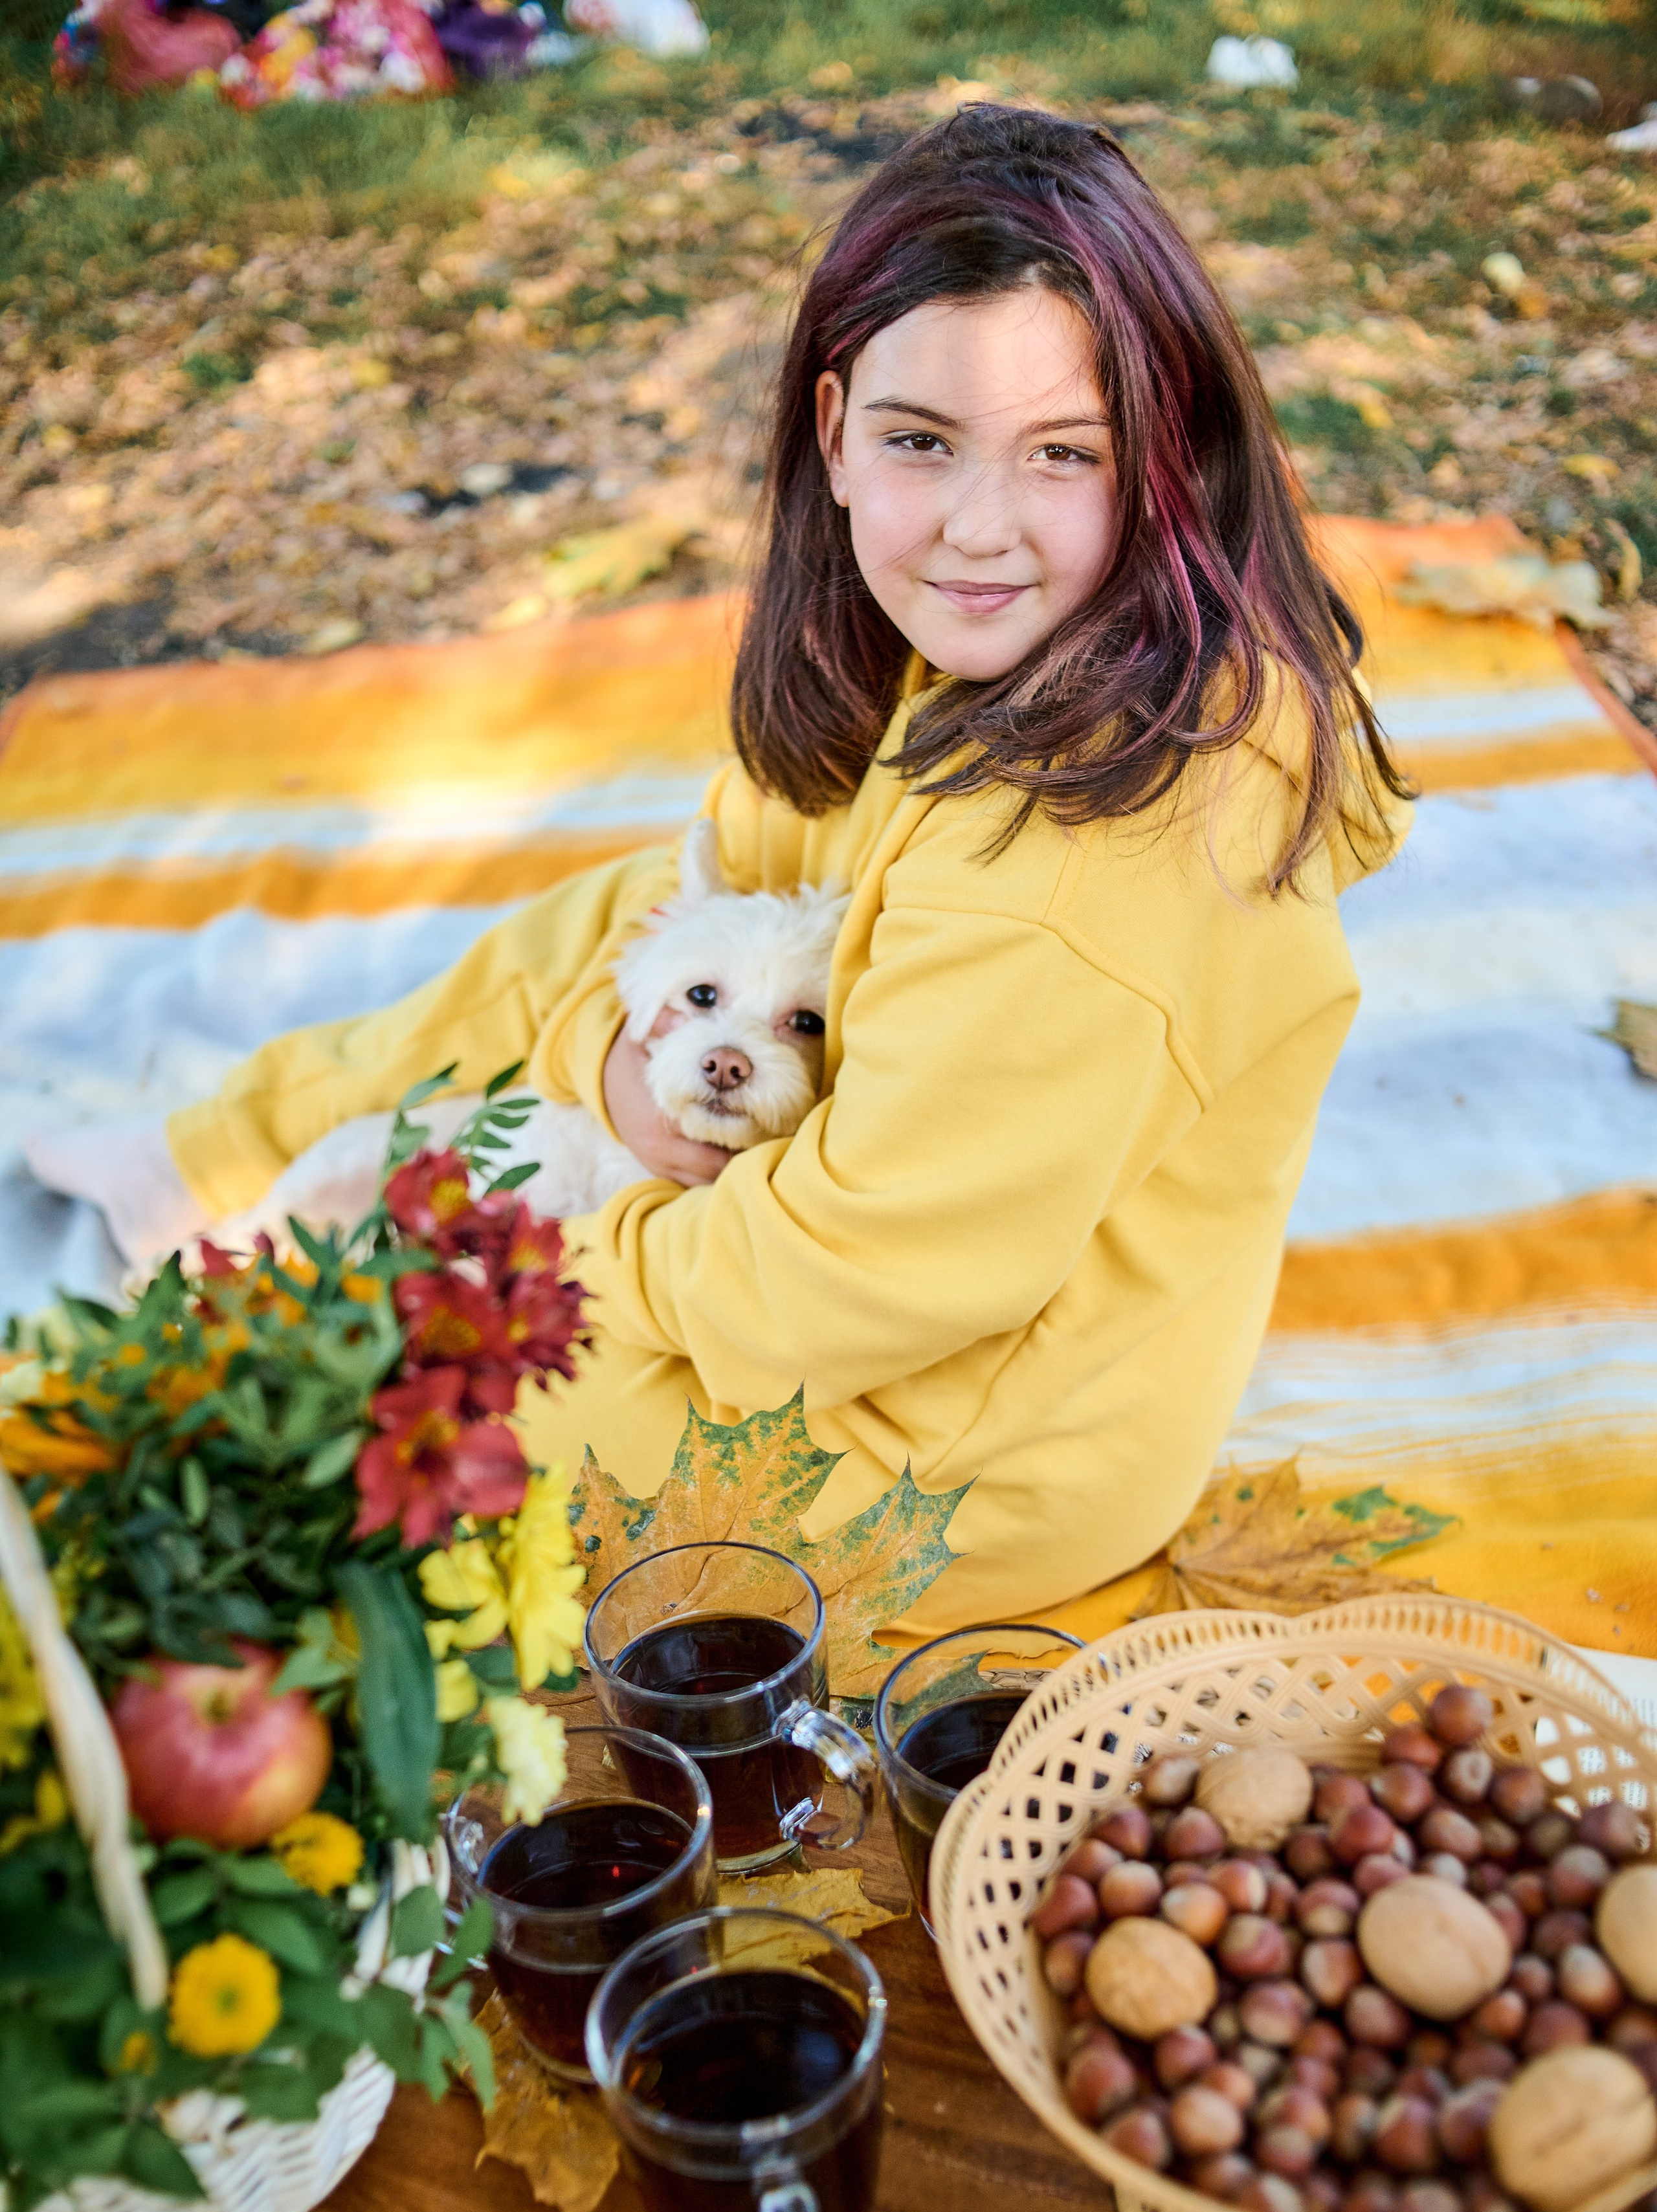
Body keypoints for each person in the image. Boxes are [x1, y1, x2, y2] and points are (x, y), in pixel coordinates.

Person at [64, 107, 1413, 1633]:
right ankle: (224, 1157)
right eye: (919, 441)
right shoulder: (952, 642)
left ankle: (297, 1306)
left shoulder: (1083, 870)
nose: (978, 529)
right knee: (607, 916)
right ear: (832, 431)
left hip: (946, 1443)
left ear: (1165, 456)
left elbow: (851, 1275)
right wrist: (606, 1063)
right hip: (806, 1227)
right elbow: (694, 904)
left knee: (366, 1413)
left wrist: (540, 1258)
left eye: (1063, 454)